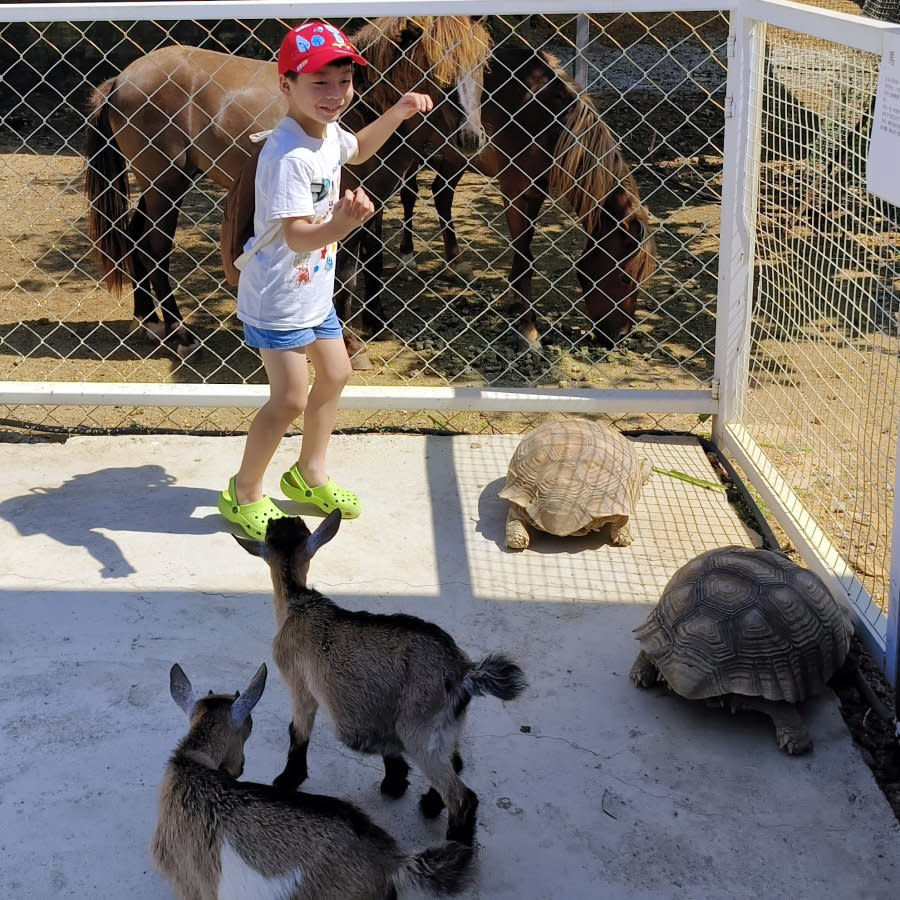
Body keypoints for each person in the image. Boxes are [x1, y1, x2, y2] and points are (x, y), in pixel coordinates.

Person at [219, 22, 433, 539]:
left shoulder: (326, 134)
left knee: (336, 374)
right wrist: (339, 225)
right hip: (278, 298)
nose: (335, 95)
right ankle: (243, 493)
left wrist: (397, 113)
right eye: (320, 83)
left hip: (312, 293)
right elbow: (294, 236)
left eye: (344, 81)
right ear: (286, 85)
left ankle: (307, 474)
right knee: (290, 398)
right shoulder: (289, 155)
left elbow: (355, 149)